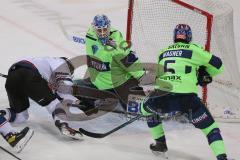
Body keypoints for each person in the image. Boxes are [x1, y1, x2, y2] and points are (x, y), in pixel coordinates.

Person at [140, 24, 228, 160]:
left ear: (174, 37)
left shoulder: (162, 52)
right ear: (189, 37)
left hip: (162, 97)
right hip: (187, 100)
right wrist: (205, 73)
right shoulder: (194, 49)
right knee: (211, 129)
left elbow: (158, 76)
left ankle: (160, 143)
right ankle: (222, 158)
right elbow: (219, 65)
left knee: (146, 109)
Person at [74, 14, 147, 112]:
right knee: (72, 87)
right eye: (99, 30)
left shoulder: (116, 39)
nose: (103, 33)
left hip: (121, 84)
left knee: (138, 109)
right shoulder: (90, 36)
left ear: (109, 27)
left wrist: (142, 77)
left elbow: (128, 59)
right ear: (94, 29)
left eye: (105, 29)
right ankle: (99, 100)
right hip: (100, 84)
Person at [0, 57, 83, 141]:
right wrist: (78, 101)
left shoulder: (45, 65)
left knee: (20, 116)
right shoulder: (61, 63)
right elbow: (65, 88)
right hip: (28, 74)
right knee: (55, 105)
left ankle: (1, 116)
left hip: (12, 77)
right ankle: (64, 126)